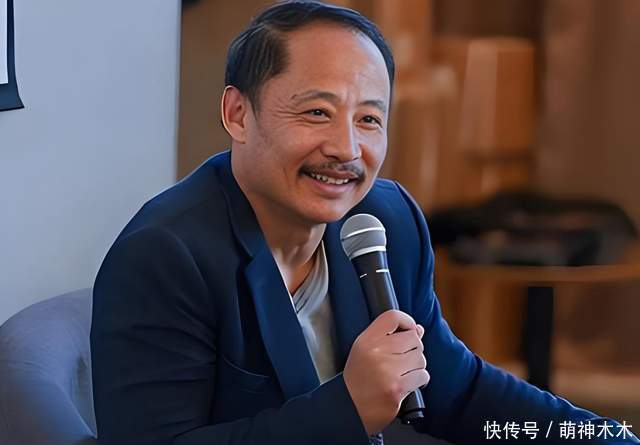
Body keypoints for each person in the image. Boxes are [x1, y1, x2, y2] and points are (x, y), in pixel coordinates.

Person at [90, 2, 639, 444]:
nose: (347, 149)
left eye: (369, 119)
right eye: (317, 112)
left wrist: (606, 437)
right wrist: (348, 408)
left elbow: (459, 389)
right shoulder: (164, 255)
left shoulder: (386, 219)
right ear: (238, 114)